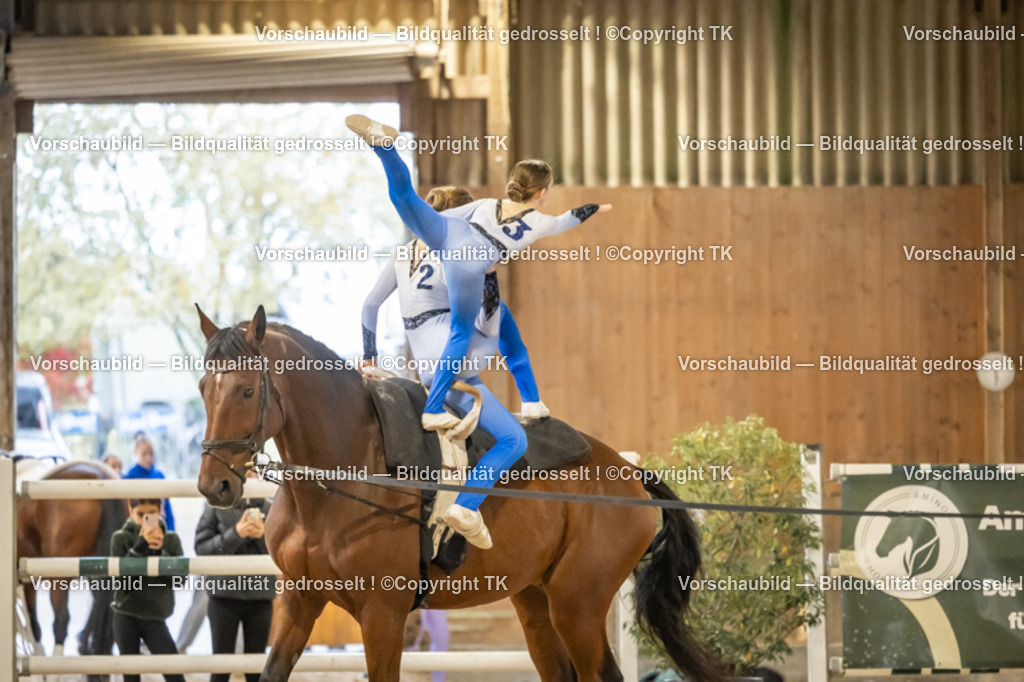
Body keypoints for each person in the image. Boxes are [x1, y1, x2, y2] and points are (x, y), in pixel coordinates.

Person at [359, 185, 550, 549]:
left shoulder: (403, 254)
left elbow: (369, 306)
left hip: (419, 364)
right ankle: (465, 506)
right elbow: (479, 316)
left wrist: (369, 358)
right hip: (450, 367)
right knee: (513, 439)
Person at [195, 469, 275, 682]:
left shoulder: (272, 509)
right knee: (221, 668)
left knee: (256, 670)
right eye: (244, 473)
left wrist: (261, 537)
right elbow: (202, 549)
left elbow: (281, 555)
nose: (249, 479)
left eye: (253, 474)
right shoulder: (215, 506)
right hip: (223, 597)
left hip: (261, 598)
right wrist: (236, 534)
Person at [110, 498, 186, 682]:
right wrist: (139, 547)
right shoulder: (121, 538)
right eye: (140, 515)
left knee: (174, 673)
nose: (146, 519)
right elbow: (120, 582)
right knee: (130, 675)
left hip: (156, 617)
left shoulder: (171, 539)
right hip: (125, 614)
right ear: (130, 511)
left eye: (150, 514)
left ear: (160, 510)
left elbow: (180, 580)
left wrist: (160, 552)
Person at [123, 433, 176, 531]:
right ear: (135, 452)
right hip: (139, 525)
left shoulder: (159, 475)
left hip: (161, 522)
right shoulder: (130, 475)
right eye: (144, 453)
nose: (148, 457)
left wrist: (170, 530)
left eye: (151, 453)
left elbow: (167, 507)